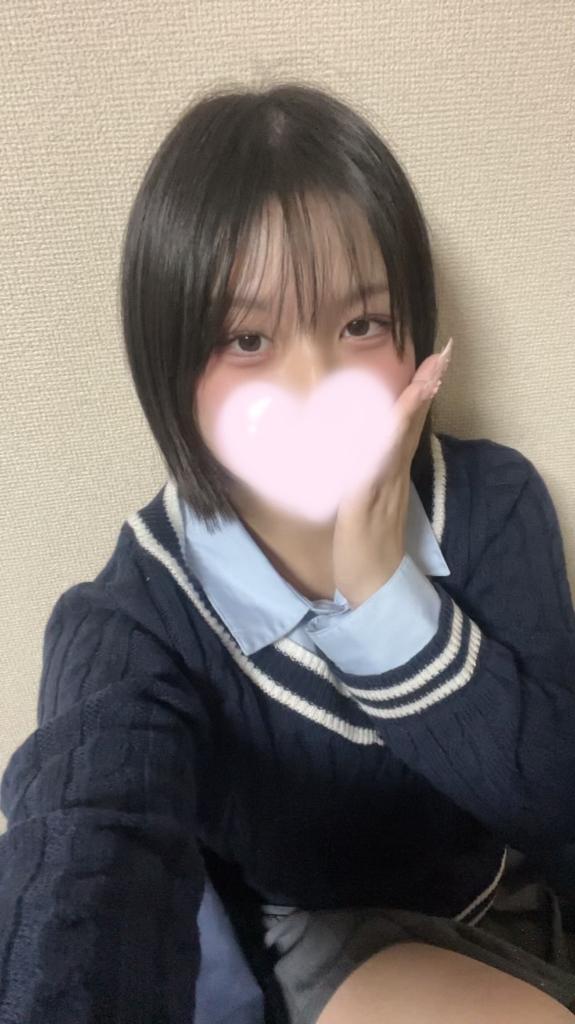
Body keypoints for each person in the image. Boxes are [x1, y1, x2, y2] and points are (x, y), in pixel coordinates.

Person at [1, 80, 575, 1024]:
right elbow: (89, 850)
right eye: (247, 338)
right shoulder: (139, 612)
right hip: (341, 944)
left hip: (521, 906)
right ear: (168, 364)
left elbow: (556, 800)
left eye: (359, 324)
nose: (312, 385)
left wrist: (385, 595)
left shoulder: (493, 500)